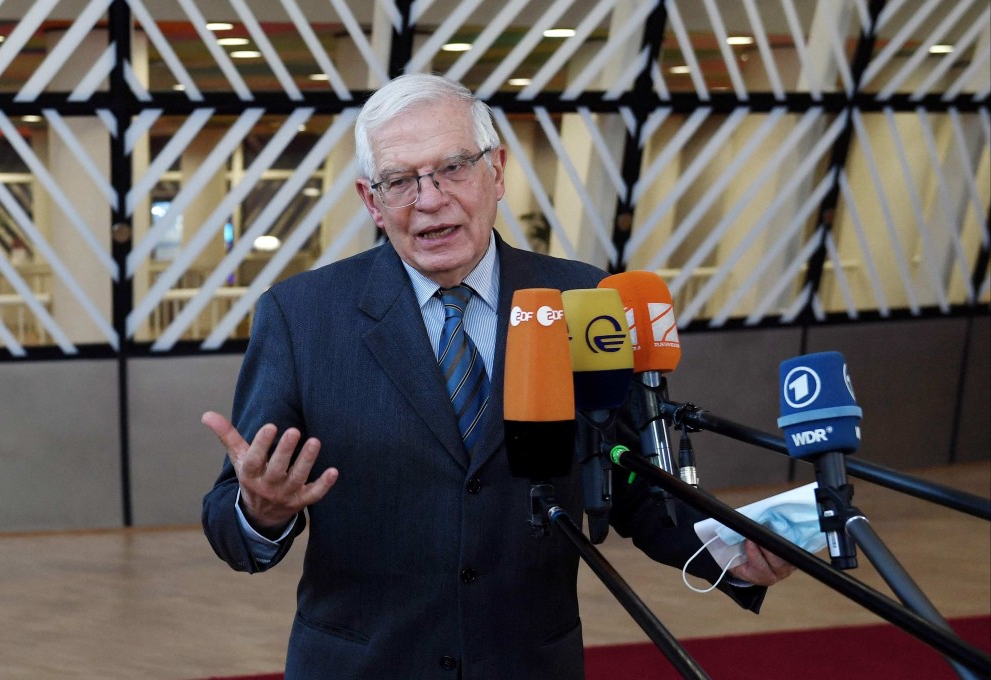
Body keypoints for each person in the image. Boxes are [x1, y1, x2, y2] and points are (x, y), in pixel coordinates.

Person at [202, 73, 793, 680]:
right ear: (372, 201)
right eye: (400, 181)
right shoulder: (301, 317)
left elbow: (637, 487)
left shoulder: (584, 298)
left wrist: (732, 550)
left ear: (498, 171)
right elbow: (230, 517)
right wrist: (261, 511)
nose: (429, 199)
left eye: (454, 167)